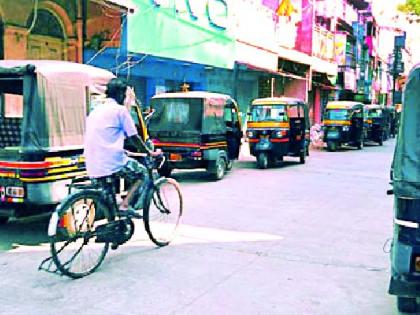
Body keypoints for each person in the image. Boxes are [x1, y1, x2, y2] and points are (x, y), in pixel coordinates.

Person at [84, 78, 160, 216]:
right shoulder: (120, 111)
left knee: (109, 201)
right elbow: (134, 137)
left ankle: (111, 225)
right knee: (142, 174)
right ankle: (125, 205)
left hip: (92, 162)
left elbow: (104, 136)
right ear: (120, 94)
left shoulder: (96, 110)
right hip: (111, 162)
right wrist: (149, 152)